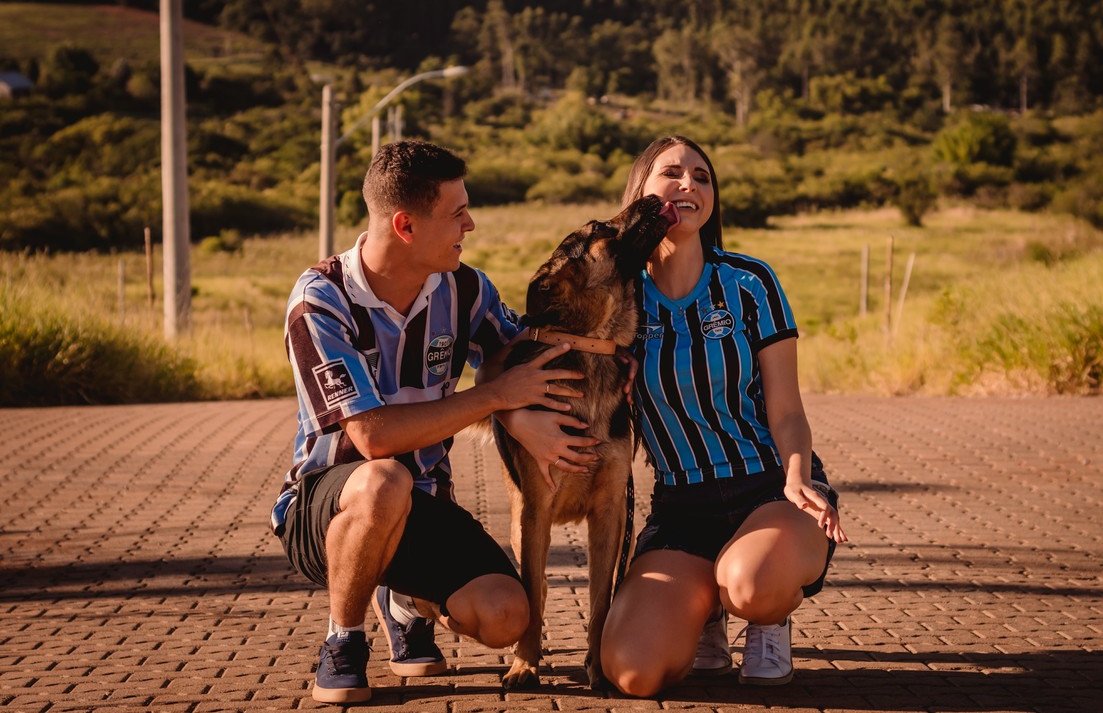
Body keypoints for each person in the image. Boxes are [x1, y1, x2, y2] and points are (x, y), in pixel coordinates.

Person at [271, 140, 599, 704]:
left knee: (506, 618)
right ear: (405, 224)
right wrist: (495, 398)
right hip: (325, 507)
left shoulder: (464, 287)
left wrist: (528, 407)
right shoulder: (320, 301)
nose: (469, 225)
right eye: (456, 213)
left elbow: (515, 353)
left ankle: (404, 599)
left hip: (423, 503)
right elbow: (373, 437)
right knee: (383, 478)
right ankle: (343, 641)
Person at [600, 135, 849, 697]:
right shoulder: (617, 298)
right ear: (640, 191)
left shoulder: (748, 282)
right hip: (681, 504)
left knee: (752, 586)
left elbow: (787, 409)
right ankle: (702, 610)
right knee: (634, 673)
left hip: (768, 488)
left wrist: (797, 478)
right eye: (671, 173)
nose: (688, 184)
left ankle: (767, 619)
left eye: (702, 176)